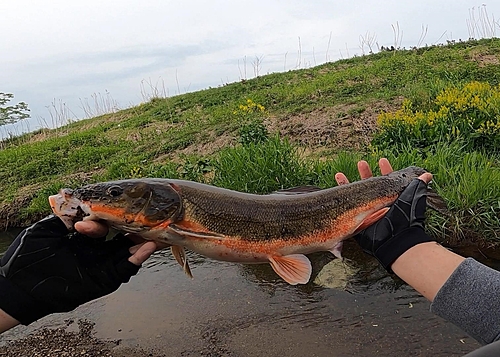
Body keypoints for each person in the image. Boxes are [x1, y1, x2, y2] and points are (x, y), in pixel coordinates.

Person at [0, 159, 499, 356]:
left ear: (157, 203)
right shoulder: (163, 220)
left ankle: (399, 187)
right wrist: (14, 298)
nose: (92, 197)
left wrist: (13, 298)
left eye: (113, 193)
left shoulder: (172, 214)